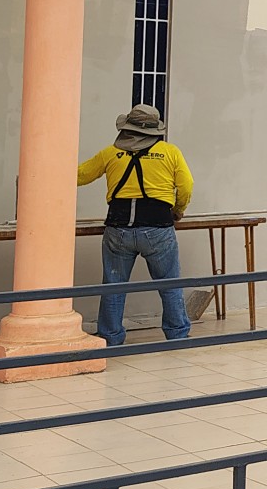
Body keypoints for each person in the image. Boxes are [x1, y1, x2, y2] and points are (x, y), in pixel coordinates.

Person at [78, 104, 197, 346]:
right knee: (170, 284)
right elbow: (186, 186)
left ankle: (110, 337)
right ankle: (177, 335)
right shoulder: (170, 152)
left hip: (118, 228)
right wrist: (178, 210)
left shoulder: (111, 153)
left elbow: (79, 175)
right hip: (158, 228)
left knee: (113, 287)